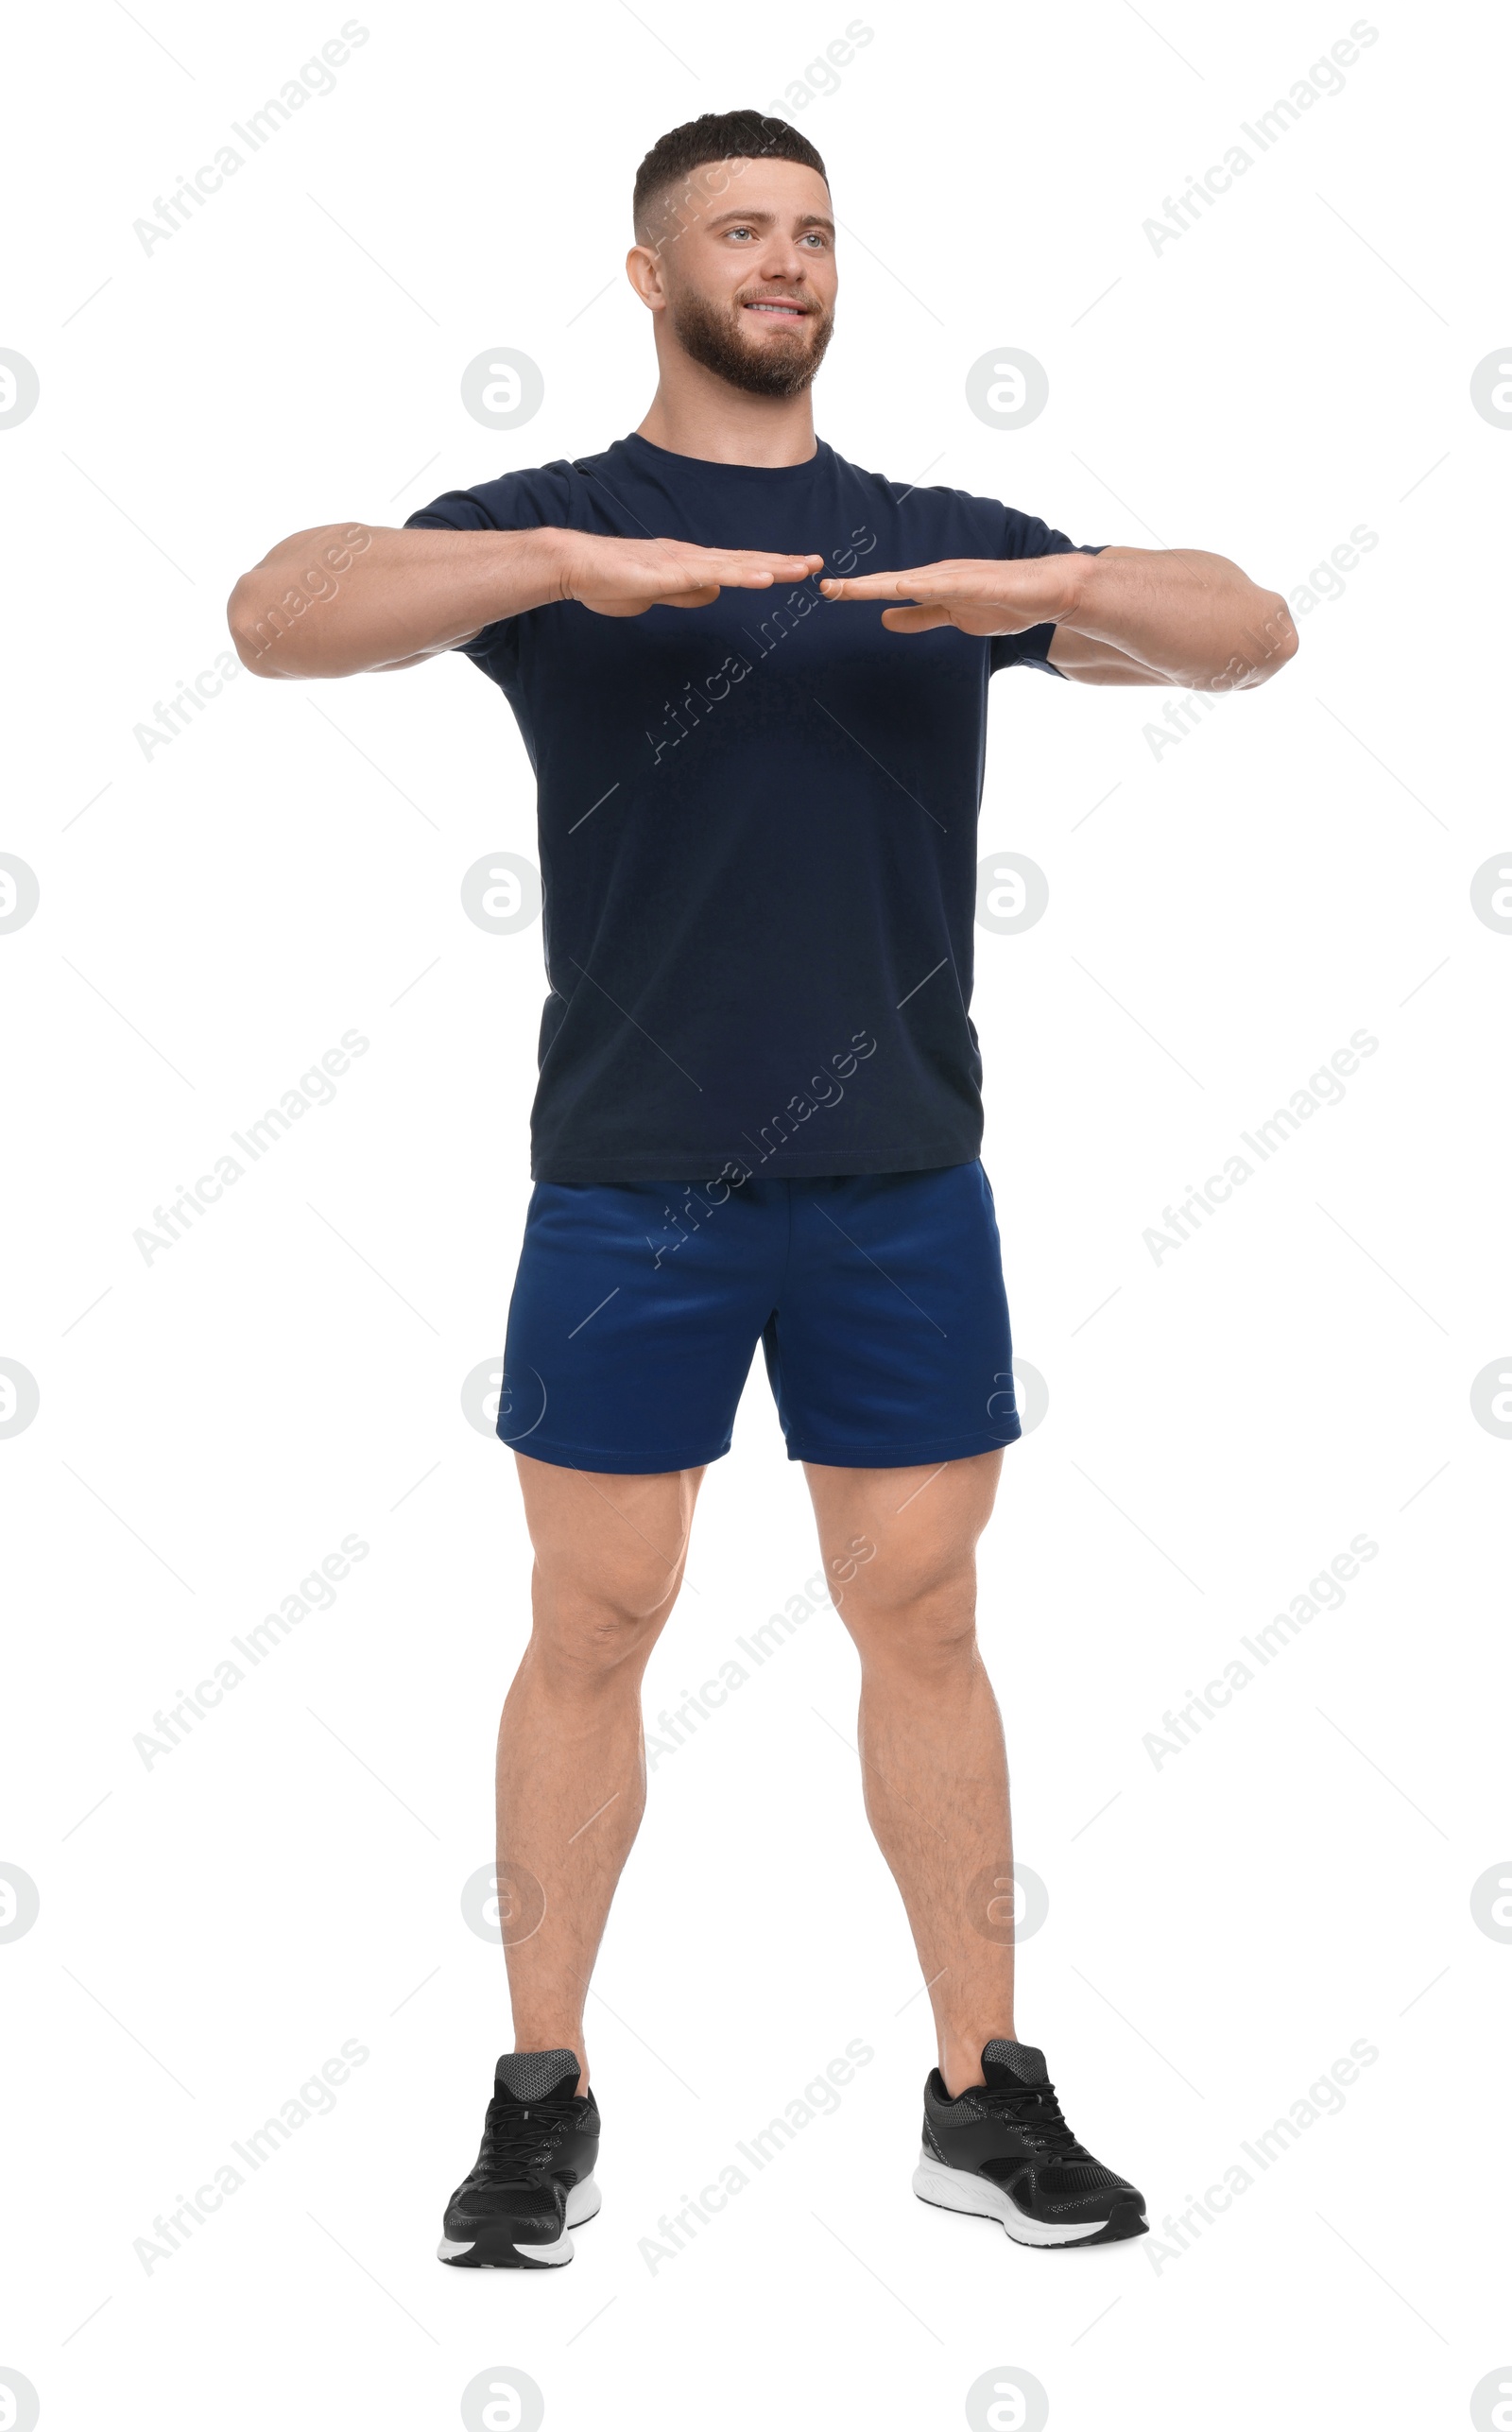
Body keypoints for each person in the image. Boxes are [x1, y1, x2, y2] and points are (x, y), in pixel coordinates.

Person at [228, 109, 1297, 2272]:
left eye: (809, 231)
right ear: (650, 273)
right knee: (594, 1620)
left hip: (902, 1178)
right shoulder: (556, 523)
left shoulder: (926, 537)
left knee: (925, 1618)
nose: (782, 260)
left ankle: (980, 2091)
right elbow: (278, 613)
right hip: (632, 1186)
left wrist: (1061, 592)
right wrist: (554, 572)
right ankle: (543, 2098)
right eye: (737, 229)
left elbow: (1249, 628)